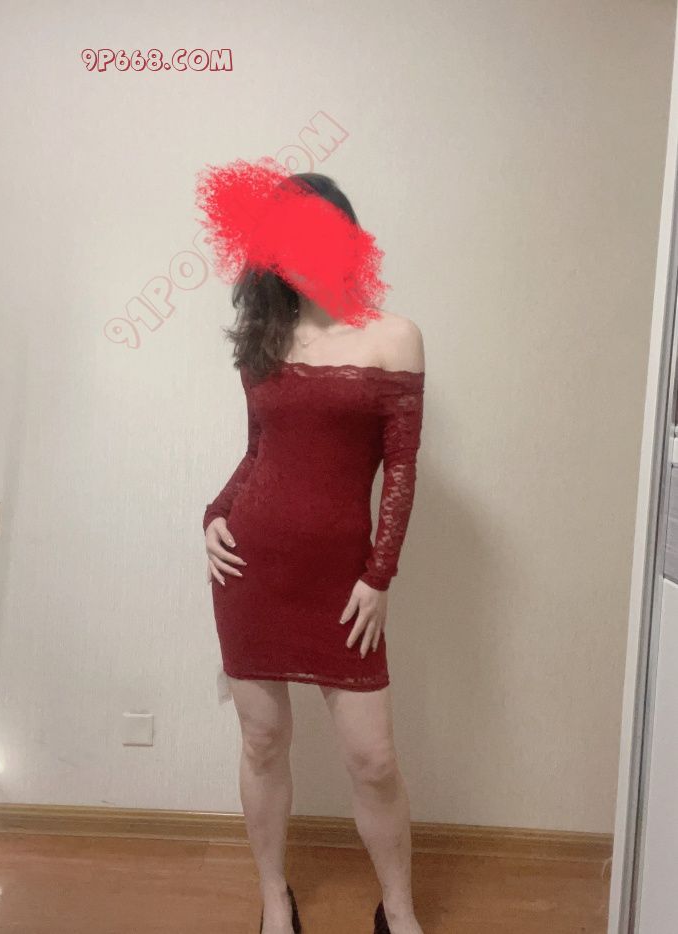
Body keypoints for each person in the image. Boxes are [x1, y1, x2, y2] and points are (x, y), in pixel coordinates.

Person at [203, 173, 426, 934]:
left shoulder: (395, 336)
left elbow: (401, 469)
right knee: (263, 741)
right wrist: (214, 513)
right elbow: (260, 451)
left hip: (342, 581)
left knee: (373, 759)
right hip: (251, 569)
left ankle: (397, 908)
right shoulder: (264, 341)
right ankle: (275, 897)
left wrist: (379, 574)